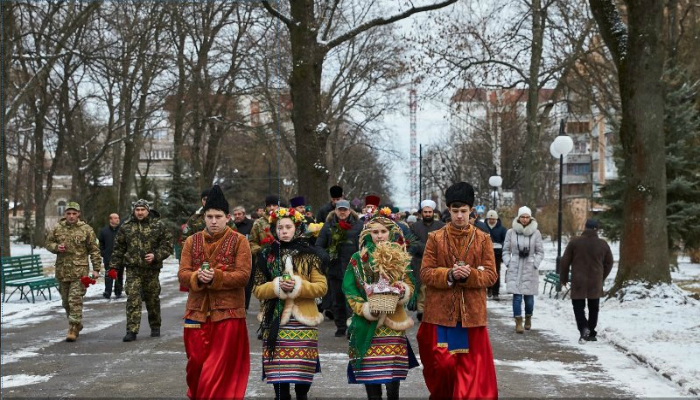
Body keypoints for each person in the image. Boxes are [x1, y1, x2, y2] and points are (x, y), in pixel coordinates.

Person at [417, 182, 498, 399]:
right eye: (455, 211)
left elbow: (491, 275)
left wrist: (470, 274)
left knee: (472, 374)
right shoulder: (435, 238)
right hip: (441, 314)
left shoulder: (483, 239)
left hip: (472, 315)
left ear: (471, 211)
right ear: (449, 211)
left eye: (464, 211)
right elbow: (425, 273)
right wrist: (450, 275)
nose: (460, 216)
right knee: (443, 365)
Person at [178, 185, 252, 399]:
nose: (213, 221)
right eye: (209, 216)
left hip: (228, 313)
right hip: (195, 313)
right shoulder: (192, 241)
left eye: (218, 216)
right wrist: (196, 278)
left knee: (217, 369)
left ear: (227, 217)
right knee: (196, 365)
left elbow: (243, 276)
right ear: (204, 218)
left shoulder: (240, 242)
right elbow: (183, 274)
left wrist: (216, 277)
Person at [254, 207, 327, 400]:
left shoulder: (310, 255)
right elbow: (258, 289)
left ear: (296, 228)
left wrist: (298, 286)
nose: (284, 231)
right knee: (279, 378)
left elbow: (321, 287)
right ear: (273, 229)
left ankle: (302, 395)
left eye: (288, 227)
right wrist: (277, 286)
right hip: (275, 320)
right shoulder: (266, 255)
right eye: (280, 227)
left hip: (304, 321)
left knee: (302, 373)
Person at [343, 215, 418, 400]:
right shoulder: (357, 258)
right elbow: (349, 289)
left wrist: (403, 292)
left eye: (383, 231)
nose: (379, 236)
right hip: (367, 323)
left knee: (393, 378)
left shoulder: (400, 255)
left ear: (390, 233)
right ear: (368, 234)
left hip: (393, 323)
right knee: (371, 376)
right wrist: (365, 308)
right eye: (375, 232)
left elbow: (411, 284)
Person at [111, 199, 173, 342]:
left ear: (147, 210)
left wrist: (156, 255)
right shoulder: (126, 227)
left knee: (152, 299)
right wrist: (113, 267)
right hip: (133, 269)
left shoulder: (158, 225)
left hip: (151, 270)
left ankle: (155, 325)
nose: (140, 212)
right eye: (137, 210)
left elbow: (168, 245)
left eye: (142, 210)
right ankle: (131, 330)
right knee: (133, 298)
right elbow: (119, 248)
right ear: (134, 211)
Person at [45, 202, 102, 342]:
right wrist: (56, 247)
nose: (71, 216)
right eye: (69, 213)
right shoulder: (58, 228)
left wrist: (96, 269)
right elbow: (48, 243)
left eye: (74, 213)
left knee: (74, 300)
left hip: (80, 272)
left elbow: (94, 250)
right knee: (66, 302)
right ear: (65, 214)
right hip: (62, 271)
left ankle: (73, 328)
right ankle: (77, 323)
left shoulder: (86, 229)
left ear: (79, 214)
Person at [560, 219, 614, 344]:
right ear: (597, 229)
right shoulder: (603, 244)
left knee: (578, 307)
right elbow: (609, 263)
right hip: (595, 281)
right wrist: (602, 277)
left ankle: (584, 328)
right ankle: (591, 332)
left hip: (578, 280)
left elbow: (564, 261)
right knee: (594, 307)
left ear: (585, 227)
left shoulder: (574, 242)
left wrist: (563, 278)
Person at [315, 199, 363, 337]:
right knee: (337, 300)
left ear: (349, 211)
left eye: (345, 210)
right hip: (334, 268)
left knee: (352, 300)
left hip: (352, 268)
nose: (342, 212)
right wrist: (326, 257)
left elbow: (364, 244)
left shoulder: (359, 225)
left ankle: (351, 326)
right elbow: (318, 246)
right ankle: (340, 326)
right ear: (335, 210)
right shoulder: (328, 225)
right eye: (340, 210)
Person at [503, 206, 544, 333]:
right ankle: (518, 322)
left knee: (529, 299)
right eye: (522, 217)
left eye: (527, 217)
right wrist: (509, 262)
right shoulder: (511, 232)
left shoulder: (536, 233)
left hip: (529, 267)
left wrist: (535, 263)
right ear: (519, 217)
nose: (525, 219)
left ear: (530, 218)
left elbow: (540, 252)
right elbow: (506, 250)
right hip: (515, 266)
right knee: (516, 297)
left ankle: (528, 317)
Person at [409, 200, 445, 321]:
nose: (428, 214)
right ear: (421, 213)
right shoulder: (414, 226)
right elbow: (412, 242)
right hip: (419, 261)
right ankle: (421, 311)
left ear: (433, 212)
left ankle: (435, 309)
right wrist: (427, 248)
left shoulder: (441, 226)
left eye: (430, 212)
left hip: (437, 261)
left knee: (434, 286)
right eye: (425, 212)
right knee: (421, 287)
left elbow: (444, 242)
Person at [485, 210, 507, 300]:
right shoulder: (484, 227)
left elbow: (505, 240)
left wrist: (500, 245)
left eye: (493, 219)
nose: (491, 220)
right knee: (486, 272)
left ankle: (495, 292)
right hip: (485, 254)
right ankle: (488, 288)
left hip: (497, 254)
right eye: (490, 219)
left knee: (496, 272)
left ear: (496, 219)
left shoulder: (502, 229)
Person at [99, 213, 122, 299]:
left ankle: (118, 291)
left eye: (118, 218)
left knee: (119, 274)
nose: (117, 220)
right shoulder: (104, 231)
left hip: (120, 257)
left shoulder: (122, 230)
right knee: (109, 274)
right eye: (115, 218)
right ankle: (107, 291)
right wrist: (103, 253)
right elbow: (101, 243)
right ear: (110, 220)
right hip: (108, 257)